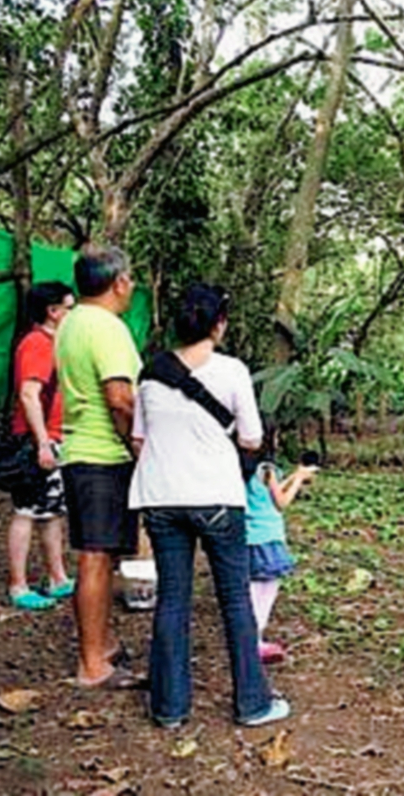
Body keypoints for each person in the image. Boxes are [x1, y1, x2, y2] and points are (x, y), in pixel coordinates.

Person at [129, 283, 289, 727]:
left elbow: (139, 440)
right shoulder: (232, 370)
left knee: (173, 600)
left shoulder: (151, 372)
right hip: (218, 497)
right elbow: (252, 438)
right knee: (235, 599)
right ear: (219, 323)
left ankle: (169, 708)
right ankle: (253, 703)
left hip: (160, 498)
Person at [55, 246, 141, 688]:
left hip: (82, 450)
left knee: (102, 555)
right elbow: (120, 398)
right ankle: (92, 664)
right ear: (119, 282)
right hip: (101, 455)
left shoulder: (71, 323)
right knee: (94, 556)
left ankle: (103, 644)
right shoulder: (108, 327)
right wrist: (137, 445)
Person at [5, 281, 76, 610]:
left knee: (50, 511)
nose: (71, 313)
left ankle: (57, 576)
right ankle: (18, 586)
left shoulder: (52, 343)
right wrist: (42, 443)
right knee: (26, 512)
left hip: (50, 438)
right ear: (53, 311)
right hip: (37, 440)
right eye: (69, 308)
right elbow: (29, 394)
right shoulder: (37, 344)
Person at [245, 422, 316, 664]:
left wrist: (296, 475)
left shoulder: (244, 467)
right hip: (267, 538)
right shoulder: (267, 468)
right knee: (264, 593)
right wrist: (299, 481)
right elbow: (281, 503)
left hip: (249, 538)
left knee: (252, 590)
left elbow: (267, 493)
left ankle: (251, 639)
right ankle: (253, 642)